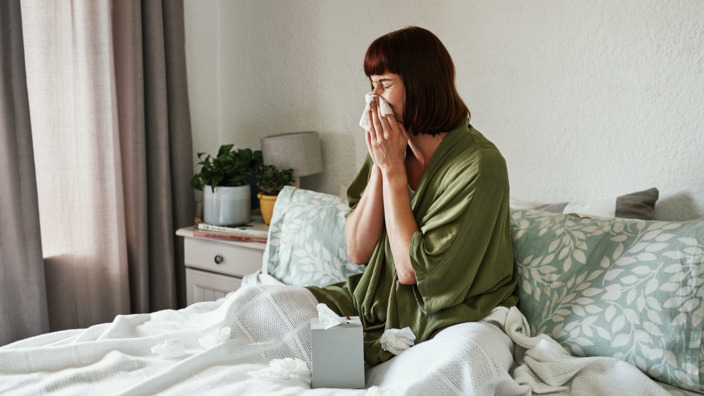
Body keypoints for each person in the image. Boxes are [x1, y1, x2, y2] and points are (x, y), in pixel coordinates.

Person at [306, 26, 519, 365]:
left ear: (421, 84)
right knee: (264, 304)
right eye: (370, 84)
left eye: (384, 84)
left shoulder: (480, 165)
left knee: (459, 364)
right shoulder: (391, 148)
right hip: (374, 301)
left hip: (451, 316)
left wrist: (392, 170)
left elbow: (411, 272)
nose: (372, 98)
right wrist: (382, 162)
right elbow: (358, 250)